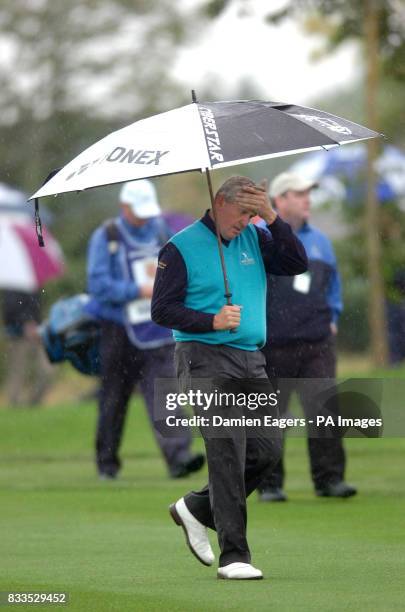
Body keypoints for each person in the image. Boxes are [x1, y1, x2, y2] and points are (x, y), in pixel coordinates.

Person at [151, 175, 307, 580]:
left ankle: (196, 508)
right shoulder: (179, 247)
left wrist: (271, 217)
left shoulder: (256, 236)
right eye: (243, 212)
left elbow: (295, 263)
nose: (245, 222)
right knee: (227, 455)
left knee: (267, 451)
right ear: (219, 202)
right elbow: (162, 310)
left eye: (253, 214)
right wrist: (211, 320)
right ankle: (234, 556)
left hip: (251, 361)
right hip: (203, 360)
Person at [86, 179, 204, 480]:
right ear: (124, 207)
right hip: (118, 331)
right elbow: (98, 286)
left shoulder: (162, 231)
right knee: (113, 399)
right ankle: (107, 463)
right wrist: (135, 290)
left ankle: (179, 457)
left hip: (157, 329)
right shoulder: (106, 236)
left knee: (164, 394)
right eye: (139, 211)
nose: (145, 217)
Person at [257, 172, 357, 501]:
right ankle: (269, 484)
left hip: (316, 341)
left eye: (307, 193)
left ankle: (329, 480)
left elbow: (333, 284)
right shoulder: (259, 237)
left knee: (324, 410)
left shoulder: (320, 240)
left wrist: (334, 314)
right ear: (280, 200)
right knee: (271, 415)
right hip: (272, 342)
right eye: (299, 194)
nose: (307, 199)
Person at [1, 289, 53, 406]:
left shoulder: (35, 285)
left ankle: (33, 402)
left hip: (37, 333)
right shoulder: (12, 284)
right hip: (17, 335)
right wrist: (25, 322)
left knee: (46, 368)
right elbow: (10, 309)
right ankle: (15, 405)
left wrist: (35, 323)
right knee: (17, 372)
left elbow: (36, 307)